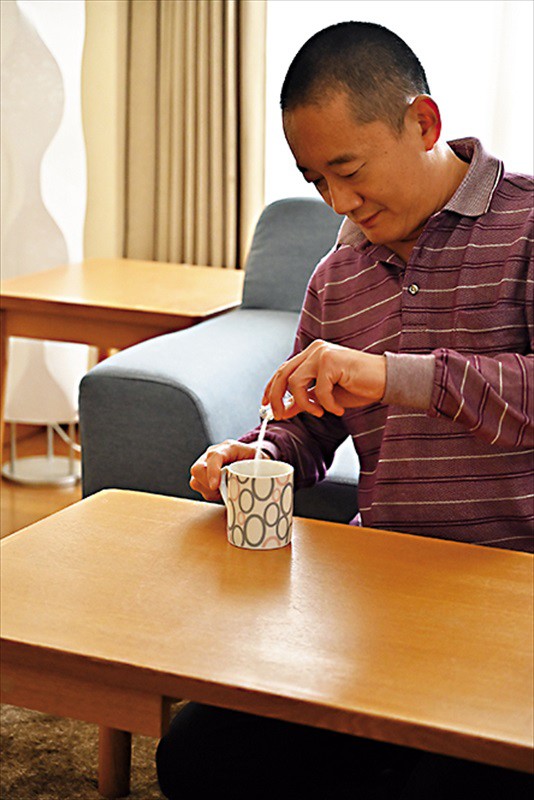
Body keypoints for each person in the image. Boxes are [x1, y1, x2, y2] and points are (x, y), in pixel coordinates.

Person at [157, 22, 533, 799]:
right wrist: (259, 455)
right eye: (316, 180)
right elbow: (307, 424)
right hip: (381, 598)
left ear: (422, 122)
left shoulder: (526, 227)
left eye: (349, 170)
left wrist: (394, 375)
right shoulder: (338, 276)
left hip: (514, 604)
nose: (340, 201)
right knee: (196, 756)